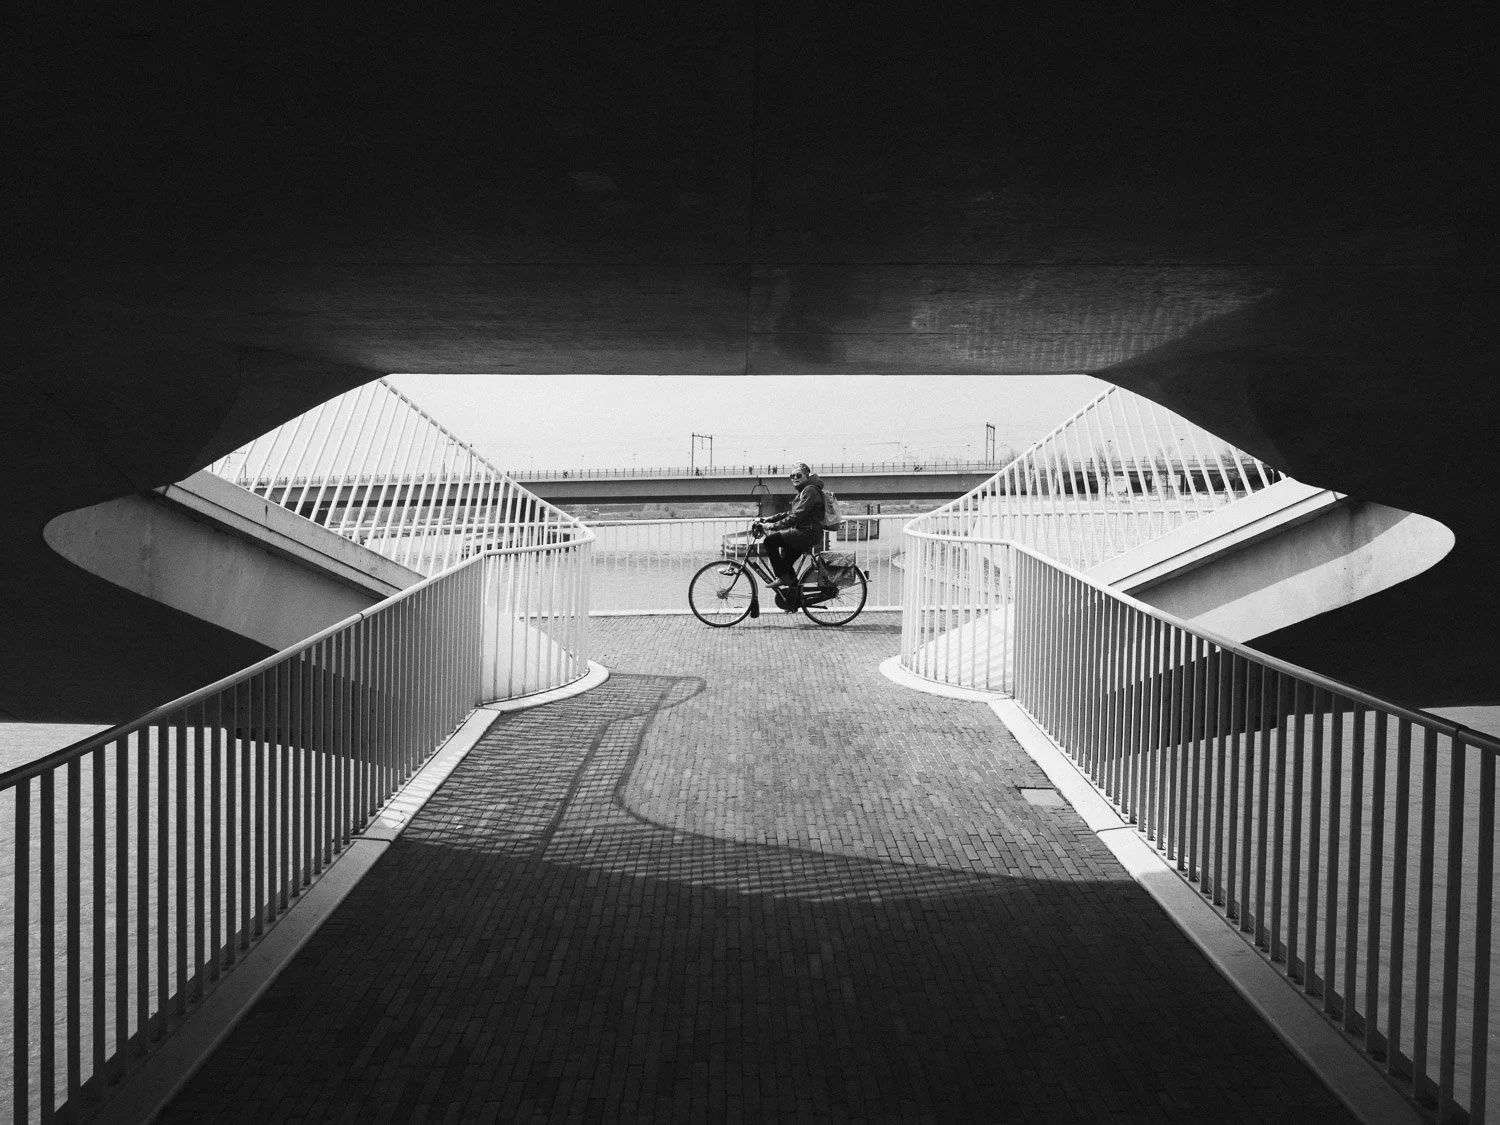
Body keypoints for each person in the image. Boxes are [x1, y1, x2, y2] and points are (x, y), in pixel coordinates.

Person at [753, 462, 826, 600]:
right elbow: (790, 513)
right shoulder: (805, 490)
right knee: (786, 561)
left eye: (798, 475)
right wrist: (769, 519)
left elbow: (797, 516)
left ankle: (782, 578)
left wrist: (773, 526)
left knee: (770, 541)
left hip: (806, 533)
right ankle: (794, 596)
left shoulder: (810, 490)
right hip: (806, 533)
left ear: (806, 476)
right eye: (792, 476)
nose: (794, 478)